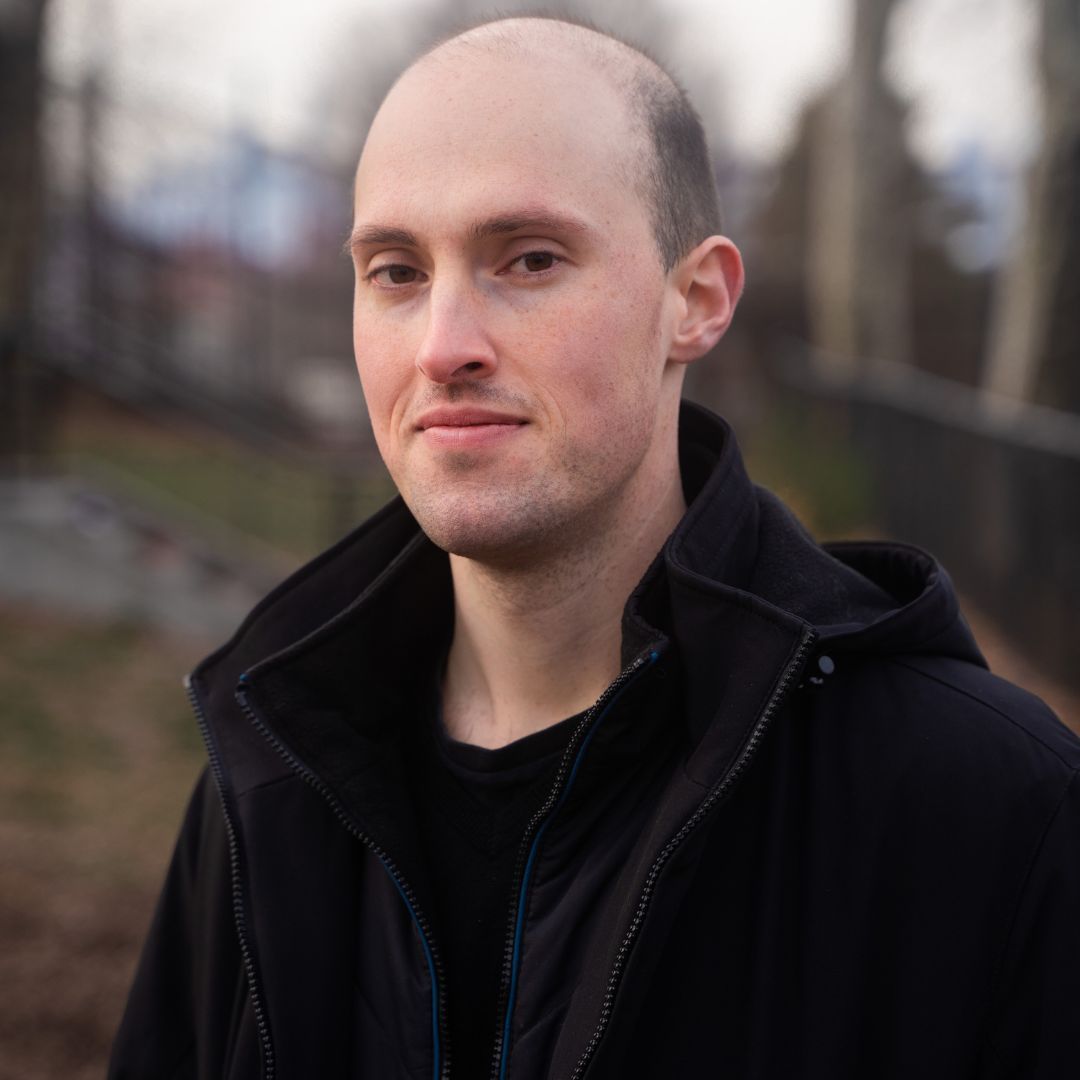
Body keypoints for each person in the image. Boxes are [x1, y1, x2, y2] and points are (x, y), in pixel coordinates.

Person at [110, 15, 1080, 1080]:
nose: (442, 347)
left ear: (695, 302)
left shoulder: (990, 809)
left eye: (529, 260)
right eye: (394, 271)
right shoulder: (268, 780)